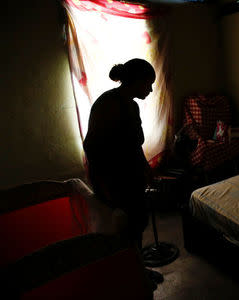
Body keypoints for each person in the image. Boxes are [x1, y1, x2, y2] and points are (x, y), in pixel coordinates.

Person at [83, 58, 163, 284]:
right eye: (148, 83)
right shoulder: (111, 105)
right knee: (125, 228)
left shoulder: (126, 103)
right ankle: (130, 276)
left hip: (127, 176)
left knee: (135, 226)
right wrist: (107, 184)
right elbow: (93, 146)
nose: (150, 89)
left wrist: (145, 168)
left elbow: (133, 145)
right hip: (115, 180)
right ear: (136, 81)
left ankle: (136, 270)